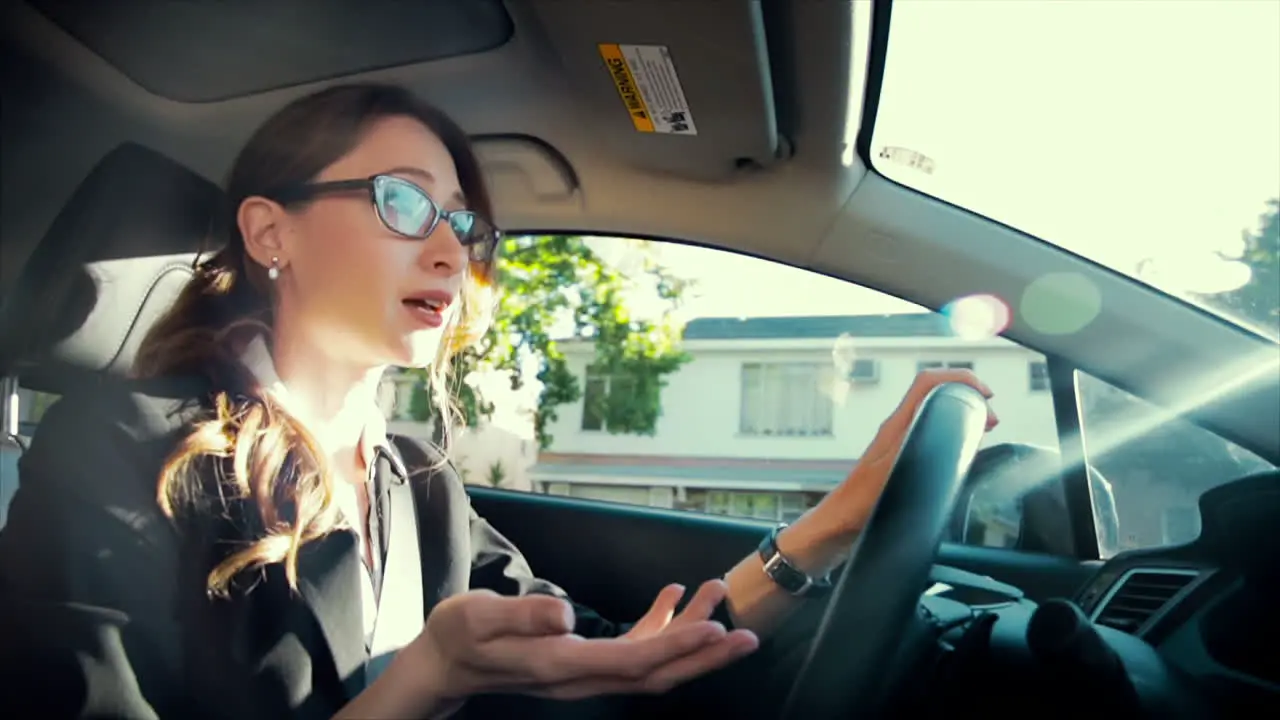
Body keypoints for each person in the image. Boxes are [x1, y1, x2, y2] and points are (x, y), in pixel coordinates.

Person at [0, 83, 997, 720]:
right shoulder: (117, 452)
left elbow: (622, 657)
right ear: (273, 233)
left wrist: (837, 521)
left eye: (462, 224)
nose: (448, 250)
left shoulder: (418, 480)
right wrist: (424, 680)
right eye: (401, 203)